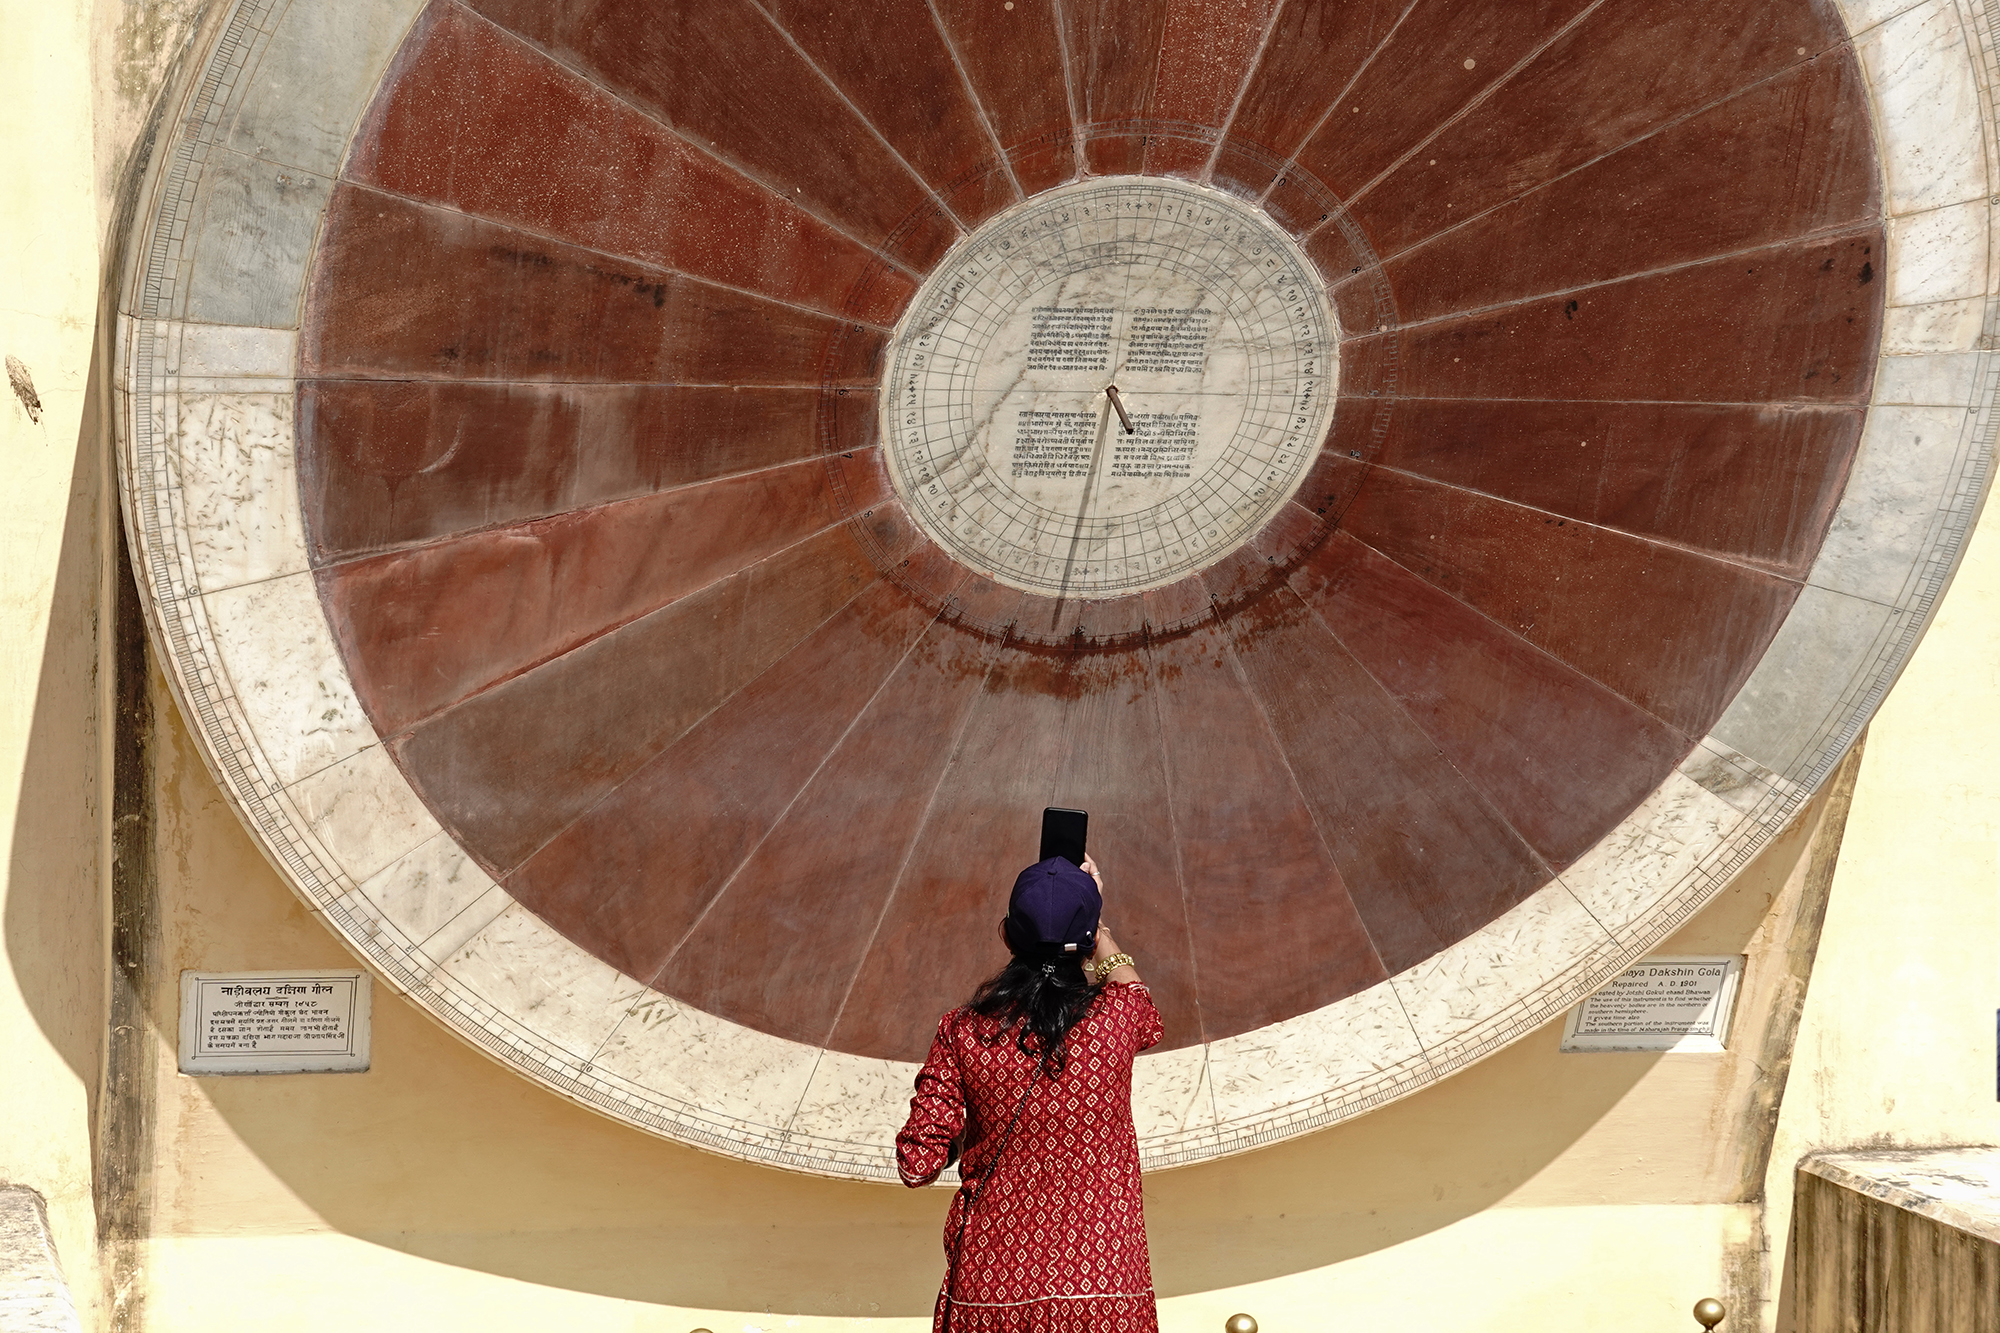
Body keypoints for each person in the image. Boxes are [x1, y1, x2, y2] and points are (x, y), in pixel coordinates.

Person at [897, 854, 1162, 1333]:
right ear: (1087, 942)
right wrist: (1093, 922)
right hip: (1105, 1295)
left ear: (1006, 936)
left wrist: (974, 1126)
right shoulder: (1120, 1019)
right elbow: (1136, 996)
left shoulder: (962, 1032)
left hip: (992, 1297)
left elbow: (917, 1165)